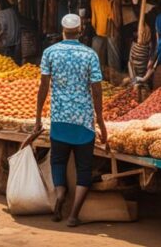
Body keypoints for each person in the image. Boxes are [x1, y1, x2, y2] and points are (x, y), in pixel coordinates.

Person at [30, 14, 106, 227]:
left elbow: (43, 88)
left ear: (62, 30)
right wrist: (100, 120)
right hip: (83, 121)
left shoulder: (50, 53)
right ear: (80, 31)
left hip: (59, 119)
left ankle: (61, 194)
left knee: (58, 162)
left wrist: (38, 117)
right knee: (84, 168)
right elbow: (97, 90)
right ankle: (73, 215)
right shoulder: (90, 54)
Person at [0, 0, 21, 65]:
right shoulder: (12, 10)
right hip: (16, 38)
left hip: (8, 40)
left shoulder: (1, 14)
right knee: (16, 59)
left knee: (8, 62)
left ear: (0, 3)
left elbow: (3, 28)